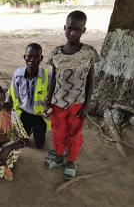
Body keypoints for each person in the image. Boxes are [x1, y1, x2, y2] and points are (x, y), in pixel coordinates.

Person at [44, 10, 100, 181]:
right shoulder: (56, 54)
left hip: (78, 103)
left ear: (83, 30)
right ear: (64, 28)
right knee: (58, 132)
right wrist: (48, 101)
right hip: (58, 103)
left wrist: (87, 105)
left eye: (77, 29)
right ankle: (60, 155)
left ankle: (71, 161)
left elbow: (91, 81)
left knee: (75, 135)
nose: (73, 32)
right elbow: (53, 80)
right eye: (69, 28)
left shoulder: (89, 53)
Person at [6, 43, 51, 149]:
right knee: (22, 142)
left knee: (40, 145)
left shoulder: (48, 77)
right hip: (23, 113)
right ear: (24, 57)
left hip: (39, 116)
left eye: (36, 57)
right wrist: (8, 102)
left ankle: (34, 130)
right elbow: (11, 92)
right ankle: (26, 130)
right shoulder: (17, 74)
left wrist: (49, 109)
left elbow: (53, 96)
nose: (32, 59)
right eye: (29, 56)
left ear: (41, 58)